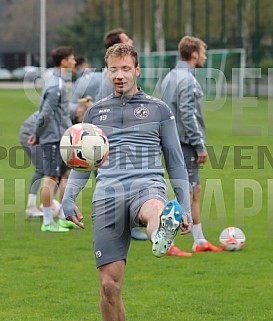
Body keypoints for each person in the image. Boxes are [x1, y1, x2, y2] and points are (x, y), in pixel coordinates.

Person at [62, 43, 192, 320]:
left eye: (125, 69)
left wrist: (185, 205)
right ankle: (158, 230)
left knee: (153, 206)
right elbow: (85, 162)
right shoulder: (94, 113)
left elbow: (175, 161)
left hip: (146, 185)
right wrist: (69, 196)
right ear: (107, 72)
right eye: (113, 69)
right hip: (107, 194)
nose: (119, 75)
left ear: (137, 70)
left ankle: (159, 233)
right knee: (109, 286)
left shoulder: (159, 109)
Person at [161, 35, 222, 252]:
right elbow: (187, 115)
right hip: (185, 143)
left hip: (174, 141)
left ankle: (199, 241)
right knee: (185, 192)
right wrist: (199, 144)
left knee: (193, 190)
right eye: (203, 53)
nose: (204, 57)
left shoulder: (170, 76)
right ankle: (166, 242)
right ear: (194, 54)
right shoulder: (187, 79)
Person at [28, 46, 77, 232]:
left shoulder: (60, 82)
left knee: (66, 175)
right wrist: (36, 134)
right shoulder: (55, 84)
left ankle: (64, 216)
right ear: (63, 61)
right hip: (54, 138)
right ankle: (47, 222)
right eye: (71, 58)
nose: (74, 61)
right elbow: (45, 113)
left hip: (62, 137)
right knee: (51, 177)